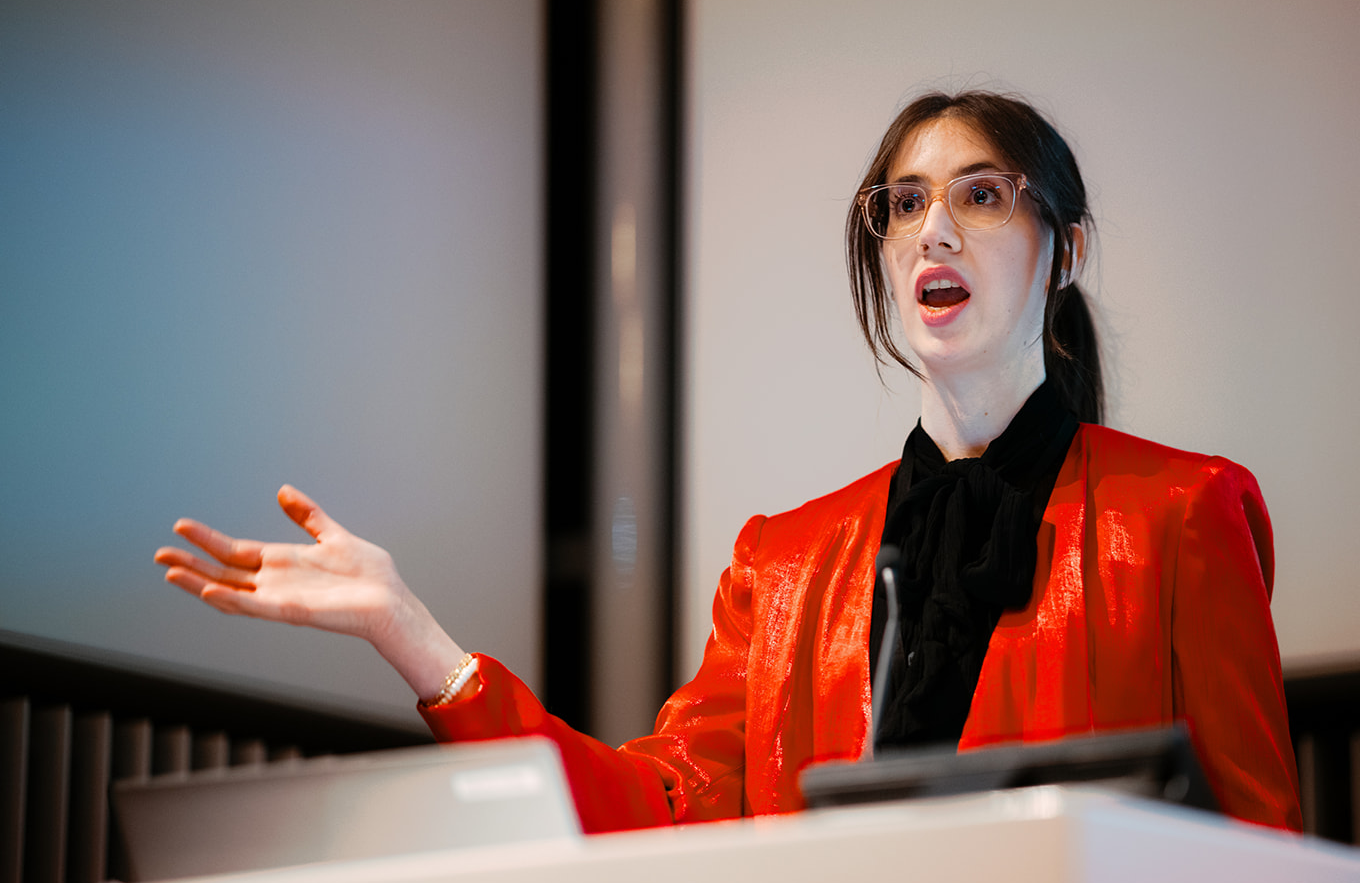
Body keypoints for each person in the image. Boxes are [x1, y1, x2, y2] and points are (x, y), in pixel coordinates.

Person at [156, 90, 1302, 834]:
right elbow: (656, 811)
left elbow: (1261, 856)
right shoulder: (784, 562)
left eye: (983, 194)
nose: (934, 230)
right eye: (904, 203)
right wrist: (414, 636)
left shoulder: (1183, 510)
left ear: (1068, 249)